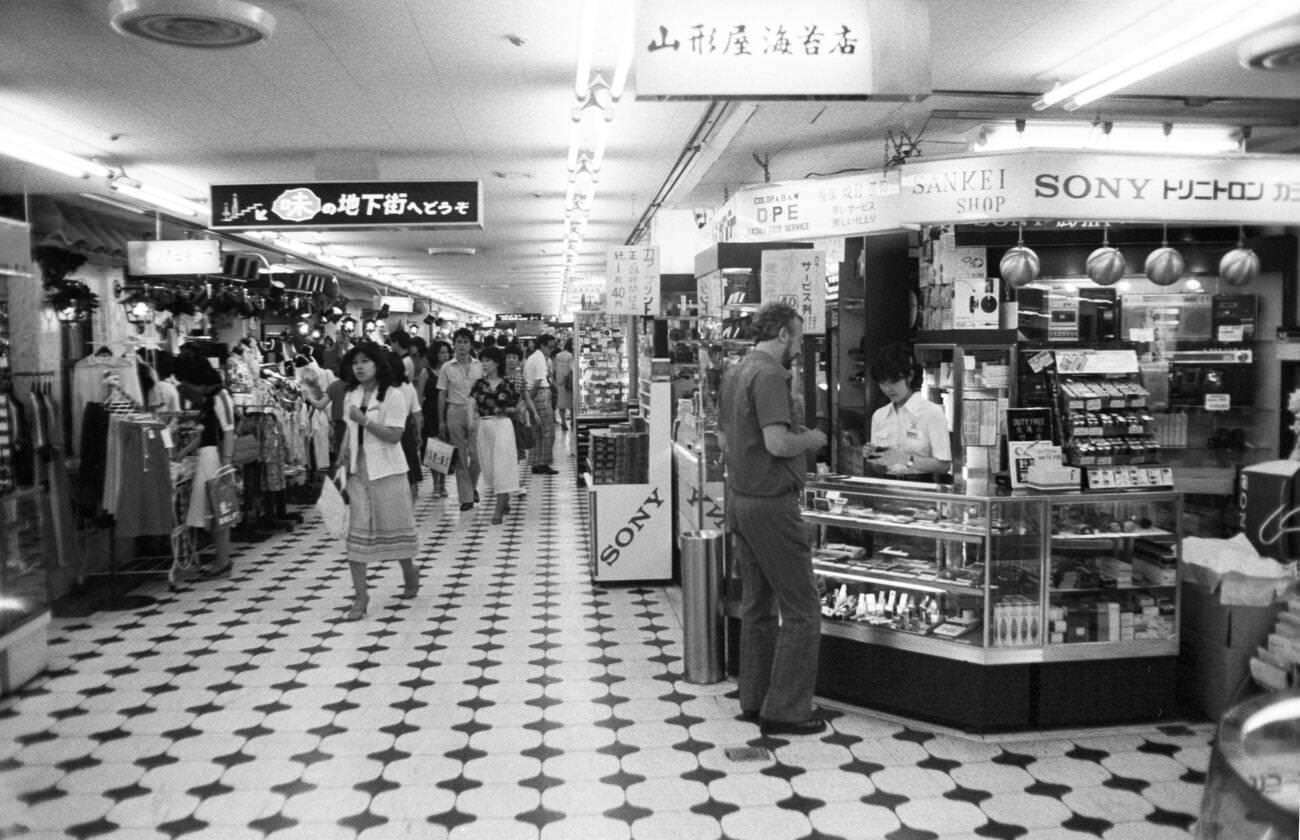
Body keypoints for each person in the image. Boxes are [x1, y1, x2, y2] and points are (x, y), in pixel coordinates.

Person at [719, 301, 828, 736]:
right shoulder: (768, 375)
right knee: (803, 608)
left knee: (757, 606)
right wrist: (812, 438)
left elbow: (728, 438)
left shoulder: (735, 371)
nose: (798, 347)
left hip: (741, 499)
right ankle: (786, 709)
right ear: (783, 334)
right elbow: (778, 442)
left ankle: (754, 697)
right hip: (770, 501)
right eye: (798, 338)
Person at [334, 341, 419, 621]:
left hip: (388, 471)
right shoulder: (351, 394)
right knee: (355, 534)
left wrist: (365, 421)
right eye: (355, 362)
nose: (359, 367)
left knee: (394, 526)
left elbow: (395, 435)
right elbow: (348, 429)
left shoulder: (393, 395)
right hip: (358, 472)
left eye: (365, 361)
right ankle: (361, 596)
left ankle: (409, 570)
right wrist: (342, 457)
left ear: (377, 364)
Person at [866, 342, 952, 480]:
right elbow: (878, 469)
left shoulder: (932, 413)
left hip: (921, 488)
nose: (888, 389)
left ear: (910, 376)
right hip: (887, 487)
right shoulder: (879, 415)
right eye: (883, 383)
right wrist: (874, 457)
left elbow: (944, 465)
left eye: (893, 382)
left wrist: (906, 459)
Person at [470, 346, 523, 524]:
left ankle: (498, 509)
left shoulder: (507, 384)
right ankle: (504, 497)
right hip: (484, 426)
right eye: (482, 361)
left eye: (488, 361)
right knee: (490, 468)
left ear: (497, 363)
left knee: (503, 465)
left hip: (502, 426)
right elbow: (472, 404)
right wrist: (471, 422)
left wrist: (503, 409)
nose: (484, 364)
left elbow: (517, 407)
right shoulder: (479, 384)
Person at [438, 328, 483, 510]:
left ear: (470, 345)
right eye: (459, 342)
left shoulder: (479, 365)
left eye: (465, 342)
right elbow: (442, 394)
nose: (462, 346)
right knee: (460, 455)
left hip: (475, 412)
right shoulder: (447, 367)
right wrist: (441, 420)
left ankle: (471, 487)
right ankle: (466, 498)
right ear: (454, 345)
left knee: (477, 455)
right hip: (454, 411)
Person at [525, 334, 558, 475]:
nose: (551, 350)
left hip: (536, 395)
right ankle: (543, 463)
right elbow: (538, 382)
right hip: (540, 395)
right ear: (542, 346)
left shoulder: (535, 357)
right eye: (550, 347)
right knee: (547, 431)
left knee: (537, 432)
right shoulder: (539, 359)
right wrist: (528, 400)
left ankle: (536, 463)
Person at [423, 340, 452, 498]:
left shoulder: (450, 371)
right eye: (441, 352)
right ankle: (436, 484)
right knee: (434, 449)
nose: (445, 355)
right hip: (431, 413)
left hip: (448, 411)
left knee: (446, 448)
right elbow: (420, 395)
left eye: (447, 352)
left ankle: (443, 483)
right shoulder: (426, 373)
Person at [504, 343, 533, 463]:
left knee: (516, 446)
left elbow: (526, 396)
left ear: (519, 361)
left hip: (517, 417)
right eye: (508, 357)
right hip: (503, 416)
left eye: (514, 358)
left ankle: (513, 476)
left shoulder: (520, 377)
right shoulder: (500, 377)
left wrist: (533, 414)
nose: (511, 360)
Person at [553, 338, 574, 431]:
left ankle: (563, 422)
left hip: (560, 382)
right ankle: (573, 421)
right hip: (569, 383)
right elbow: (571, 368)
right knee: (572, 403)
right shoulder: (571, 356)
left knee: (561, 404)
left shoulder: (558, 355)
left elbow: (554, 369)